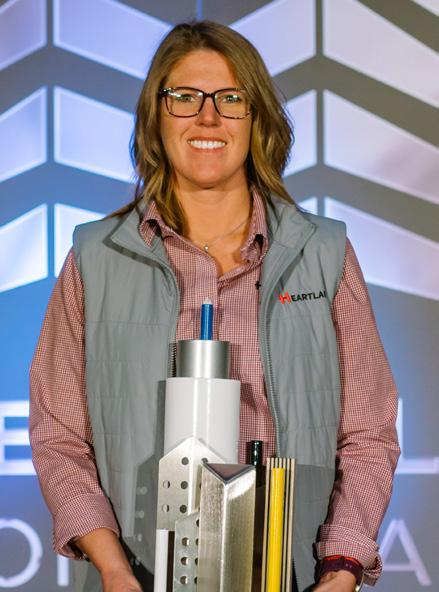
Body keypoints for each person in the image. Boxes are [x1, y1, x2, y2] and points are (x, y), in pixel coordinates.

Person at [29, 20, 400, 592]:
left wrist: (342, 568)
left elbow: (369, 433)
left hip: (294, 577)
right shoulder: (94, 258)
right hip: (136, 578)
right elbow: (59, 438)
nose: (207, 117)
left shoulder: (324, 253)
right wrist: (113, 568)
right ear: (156, 117)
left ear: (257, 119)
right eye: (184, 97)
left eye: (230, 98)